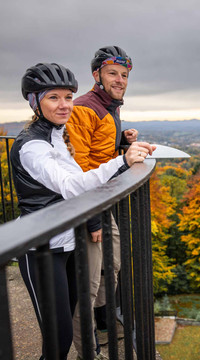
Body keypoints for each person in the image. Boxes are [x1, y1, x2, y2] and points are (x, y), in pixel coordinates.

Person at [10, 62, 154, 360]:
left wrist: (119, 145)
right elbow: (72, 186)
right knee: (58, 343)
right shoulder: (32, 147)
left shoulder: (56, 135)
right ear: (35, 101)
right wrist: (122, 162)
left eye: (68, 97)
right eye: (54, 97)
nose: (64, 105)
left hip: (68, 244)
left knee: (72, 321)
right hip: (41, 249)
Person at [66, 46, 138, 356]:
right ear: (97, 75)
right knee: (90, 282)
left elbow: (100, 152)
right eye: (113, 73)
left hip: (102, 199)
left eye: (124, 75)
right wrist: (91, 217)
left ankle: (103, 319)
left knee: (114, 263)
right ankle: (88, 348)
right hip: (88, 204)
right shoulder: (84, 108)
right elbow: (79, 166)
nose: (120, 79)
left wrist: (124, 141)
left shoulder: (110, 107)